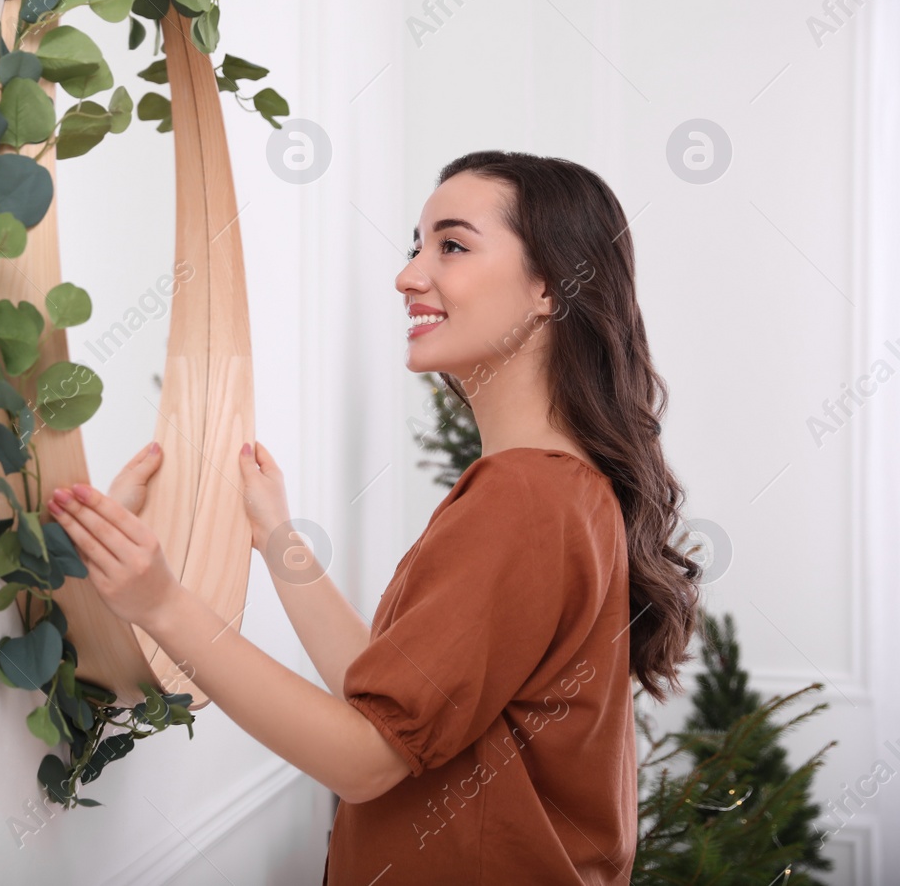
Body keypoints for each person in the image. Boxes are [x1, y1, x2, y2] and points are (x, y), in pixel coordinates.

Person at [47, 150, 702, 884]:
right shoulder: (560, 487)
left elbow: (364, 758)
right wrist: (275, 537)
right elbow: (393, 701)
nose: (409, 275)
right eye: (416, 245)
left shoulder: (526, 497)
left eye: (451, 245)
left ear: (550, 285)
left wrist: (162, 604)